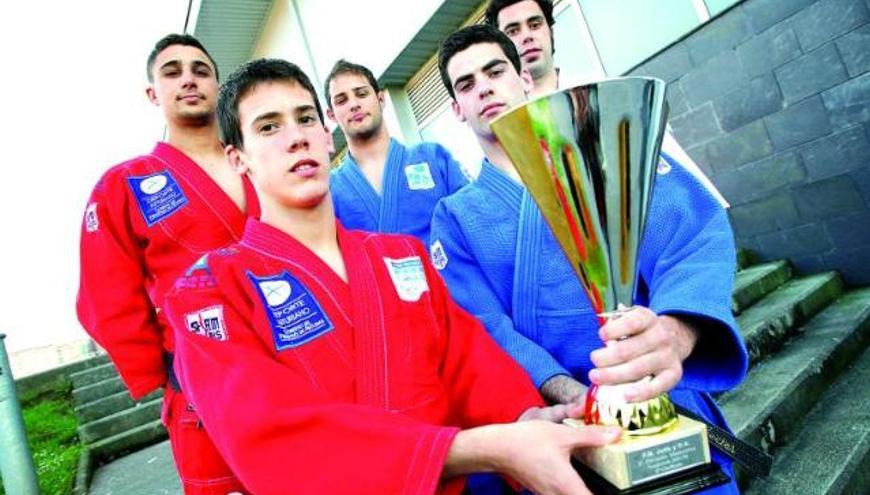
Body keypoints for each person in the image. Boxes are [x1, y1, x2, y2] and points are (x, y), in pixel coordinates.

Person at [163, 57, 621, 495]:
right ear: (238, 158)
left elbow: (469, 364)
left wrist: (526, 420)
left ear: (328, 135)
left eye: (305, 119)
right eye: (268, 127)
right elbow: (270, 441)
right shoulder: (209, 292)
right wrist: (474, 449)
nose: (296, 138)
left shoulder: (401, 255)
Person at [431, 24, 748, 493]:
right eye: (466, 84)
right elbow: (479, 323)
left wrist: (674, 334)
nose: (484, 88)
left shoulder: (608, 153)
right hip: (555, 421)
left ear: (523, 78)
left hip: (656, 394)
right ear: (457, 109)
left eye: (495, 70)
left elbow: (693, 238)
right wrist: (565, 390)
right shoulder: (455, 216)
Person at [76, 34, 253, 494]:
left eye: (200, 70)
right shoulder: (125, 185)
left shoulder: (258, 161)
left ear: (219, 86)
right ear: (153, 93)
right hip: (201, 385)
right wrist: (169, 373)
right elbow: (106, 297)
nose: (189, 80)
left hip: (297, 363)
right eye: (172, 72)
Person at [485, 0, 728, 206]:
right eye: (513, 30)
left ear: (551, 32)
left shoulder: (609, 92)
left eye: (535, 24)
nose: (527, 36)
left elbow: (669, 167)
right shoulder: (507, 131)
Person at [325, 59, 470, 247]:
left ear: (381, 99)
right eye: (341, 100)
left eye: (361, 94)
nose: (354, 104)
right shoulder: (329, 189)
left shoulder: (433, 158)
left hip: (447, 275)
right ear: (331, 115)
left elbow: (473, 223)